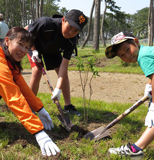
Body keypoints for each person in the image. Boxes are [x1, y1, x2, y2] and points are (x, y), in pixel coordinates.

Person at [0, 27, 60, 157]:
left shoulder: (9, 60)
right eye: (20, 44)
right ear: (7, 41)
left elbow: (22, 87)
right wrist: (38, 131)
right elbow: (13, 96)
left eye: (27, 47)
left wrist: (40, 109)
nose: (23, 51)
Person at [105, 32, 154, 157]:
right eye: (122, 55)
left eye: (127, 49)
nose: (127, 56)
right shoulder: (147, 51)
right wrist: (149, 85)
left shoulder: (143, 56)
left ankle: (136, 150)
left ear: (136, 42)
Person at [24, 9, 88, 116]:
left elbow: (64, 66)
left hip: (53, 50)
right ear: (63, 20)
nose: (71, 33)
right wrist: (34, 51)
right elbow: (28, 32)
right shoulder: (46, 23)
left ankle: (68, 106)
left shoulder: (72, 40)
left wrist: (58, 89)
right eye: (70, 27)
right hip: (34, 44)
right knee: (37, 71)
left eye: (76, 31)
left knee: (62, 73)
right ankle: (30, 105)